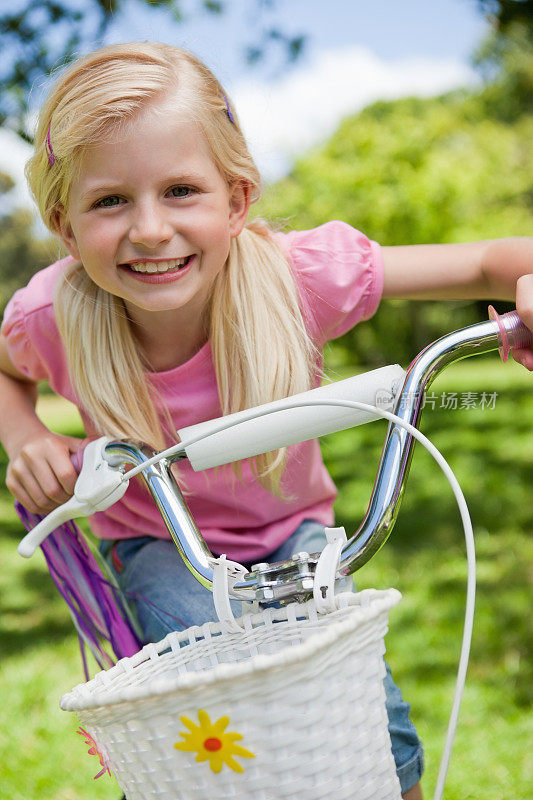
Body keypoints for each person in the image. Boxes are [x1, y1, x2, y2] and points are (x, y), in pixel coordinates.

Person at [0, 42, 531, 800]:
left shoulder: (296, 276)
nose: (150, 229)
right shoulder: (51, 317)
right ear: (63, 223)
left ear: (237, 199)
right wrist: (28, 437)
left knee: (367, 723)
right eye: (110, 200)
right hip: (158, 542)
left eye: (181, 190)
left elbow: (483, 259)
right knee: (223, 723)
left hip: (295, 535)